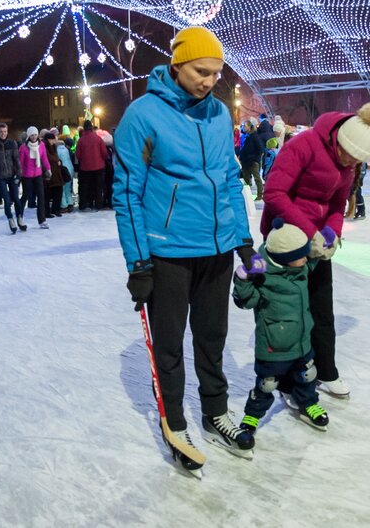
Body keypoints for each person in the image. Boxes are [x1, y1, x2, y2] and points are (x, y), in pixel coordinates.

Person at [113, 26, 260, 472]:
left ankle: (215, 414)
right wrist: (138, 261)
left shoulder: (218, 115)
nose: (209, 81)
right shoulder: (142, 115)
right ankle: (174, 422)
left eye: (216, 73)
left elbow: (230, 181)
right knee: (171, 346)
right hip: (168, 253)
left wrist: (244, 243)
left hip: (215, 248)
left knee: (213, 337)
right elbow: (127, 193)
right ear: (177, 65)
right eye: (201, 71)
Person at [262, 101, 370, 399]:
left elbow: (336, 205)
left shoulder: (349, 162)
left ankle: (326, 369)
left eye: (358, 162)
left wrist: (331, 234)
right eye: (351, 158)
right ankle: (288, 382)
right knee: (291, 314)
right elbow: (274, 192)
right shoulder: (304, 145)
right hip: (287, 241)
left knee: (322, 310)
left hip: (318, 243)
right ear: (340, 143)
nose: (351, 165)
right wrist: (310, 234)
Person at [233, 219, 328, 443]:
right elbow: (246, 301)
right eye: (301, 255)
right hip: (272, 346)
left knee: (307, 376)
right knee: (266, 385)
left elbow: (315, 258)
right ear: (285, 259)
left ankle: (309, 404)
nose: (306, 259)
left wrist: (327, 238)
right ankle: (252, 417)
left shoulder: (300, 268)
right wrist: (243, 278)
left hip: (302, 342)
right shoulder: (264, 278)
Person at [18, 126, 52, 229]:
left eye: (35, 134)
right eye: (32, 135)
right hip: (27, 176)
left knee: (41, 197)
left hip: (38, 174)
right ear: (28, 136)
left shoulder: (41, 145)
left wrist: (48, 169)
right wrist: (19, 174)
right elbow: (20, 162)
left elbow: (44, 158)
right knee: (25, 196)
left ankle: (42, 220)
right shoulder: (23, 148)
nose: (34, 137)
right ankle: (19, 216)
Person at [0, 123, 22, 233]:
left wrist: (18, 174)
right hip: (1, 177)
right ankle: (10, 219)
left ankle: (19, 218)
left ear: (7, 132)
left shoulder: (12, 143)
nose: (3, 134)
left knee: (17, 200)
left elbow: (17, 159)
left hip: (12, 175)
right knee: (7, 201)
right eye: (1, 132)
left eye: (5, 131)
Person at [75, 120, 108, 211]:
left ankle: (85, 204)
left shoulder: (81, 140)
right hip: (98, 167)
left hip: (85, 168)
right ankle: (98, 204)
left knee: (85, 187)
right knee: (98, 187)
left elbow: (78, 154)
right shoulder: (98, 139)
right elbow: (104, 153)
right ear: (92, 127)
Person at [238, 119, 266, 200]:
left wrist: (255, 160)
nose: (243, 127)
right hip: (246, 161)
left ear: (249, 127)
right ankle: (248, 195)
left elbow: (260, 149)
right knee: (246, 179)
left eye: (244, 126)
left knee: (256, 178)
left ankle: (260, 195)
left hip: (252, 162)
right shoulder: (247, 136)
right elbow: (245, 148)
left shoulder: (254, 136)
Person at [42, 129, 67, 218]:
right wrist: (57, 161)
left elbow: (55, 157)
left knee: (58, 191)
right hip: (49, 173)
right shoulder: (44, 146)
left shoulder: (53, 147)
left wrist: (58, 161)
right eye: (53, 139)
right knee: (48, 194)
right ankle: (48, 212)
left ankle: (56, 209)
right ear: (49, 139)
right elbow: (47, 158)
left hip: (56, 172)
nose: (55, 141)